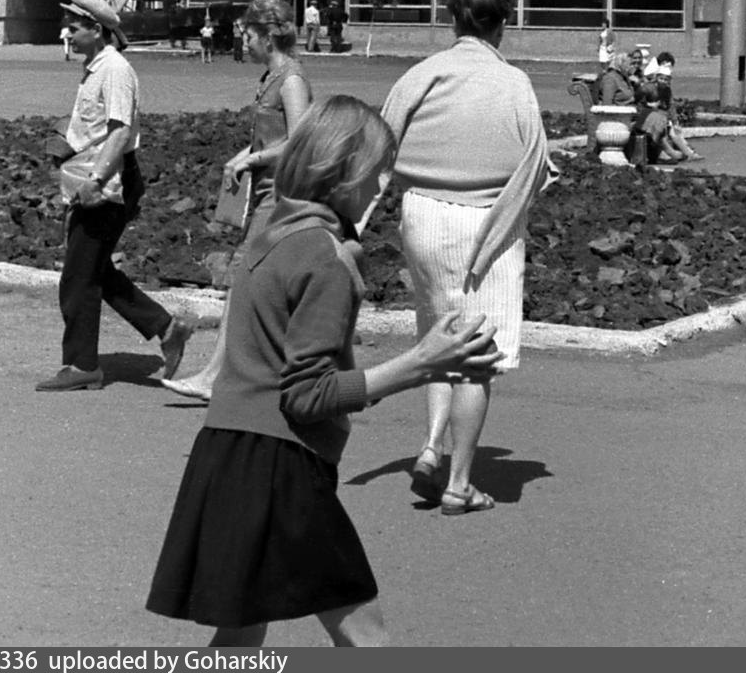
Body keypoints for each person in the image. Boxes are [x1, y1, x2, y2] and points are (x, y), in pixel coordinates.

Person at [146, 97, 503, 646]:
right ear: (344, 172)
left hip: (228, 451)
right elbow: (306, 395)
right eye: (379, 171)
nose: (381, 189)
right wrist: (422, 364)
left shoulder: (273, 232)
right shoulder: (323, 254)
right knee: (366, 639)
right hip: (279, 467)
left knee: (239, 638)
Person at [380, 0, 552, 516]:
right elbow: (537, 163)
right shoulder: (514, 82)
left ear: (452, 19)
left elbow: (382, 140)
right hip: (488, 222)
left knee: (438, 335)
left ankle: (430, 447)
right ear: (502, 25)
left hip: (423, 216)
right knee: (477, 357)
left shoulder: (423, 73)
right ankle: (458, 483)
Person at [37, 0, 193, 392]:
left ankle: (81, 364)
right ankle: (166, 327)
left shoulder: (116, 70)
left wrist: (96, 181)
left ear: (97, 30)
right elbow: (94, 127)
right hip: (95, 175)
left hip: (109, 181)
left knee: (77, 278)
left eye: (74, 28)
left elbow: (121, 131)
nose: (66, 34)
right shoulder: (95, 67)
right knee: (95, 271)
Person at [165, 0, 312, 402]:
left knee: (244, 279)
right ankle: (254, 373)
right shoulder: (272, 76)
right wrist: (243, 156)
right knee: (256, 284)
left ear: (267, 36)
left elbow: (300, 141)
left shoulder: (292, 80)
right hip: (264, 191)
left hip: (281, 194)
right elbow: (270, 136)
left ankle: (217, 376)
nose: (243, 42)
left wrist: (256, 158)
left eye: (247, 35)